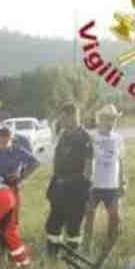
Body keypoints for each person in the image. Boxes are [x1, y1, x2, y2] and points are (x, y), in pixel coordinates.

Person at [44, 103, 94, 256]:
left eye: (64, 117)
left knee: (73, 226)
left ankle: (72, 260)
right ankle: (52, 255)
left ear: (73, 116)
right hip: (59, 186)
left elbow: (88, 168)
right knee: (53, 224)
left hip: (76, 189)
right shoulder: (64, 135)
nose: (62, 121)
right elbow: (57, 159)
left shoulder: (85, 137)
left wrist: (82, 189)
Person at [83, 105, 127, 250]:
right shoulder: (92, 137)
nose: (110, 123)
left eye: (113, 120)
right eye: (107, 119)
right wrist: (85, 180)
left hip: (112, 185)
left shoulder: (119, 138)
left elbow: (121, 161)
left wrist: (122, 182)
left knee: (115, 217)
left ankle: (109, 247)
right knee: (89, 215)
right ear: (100, 120)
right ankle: (86, 245)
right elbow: (87, 161)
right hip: (93, 185)